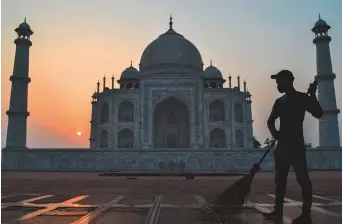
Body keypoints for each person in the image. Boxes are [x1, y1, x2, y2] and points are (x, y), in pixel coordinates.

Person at [263, 70, 323, 224]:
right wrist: (274, 132)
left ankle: (306, 214)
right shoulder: (280, 101)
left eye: (279, 81)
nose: (277, 84)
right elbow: (270, 120)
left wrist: (313, 96)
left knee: (303, 179)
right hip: (283, 146)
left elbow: (318, 113)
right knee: (280, 180)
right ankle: (278, 211)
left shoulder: (302, 98)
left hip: (295, 145)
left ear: (288, 81)